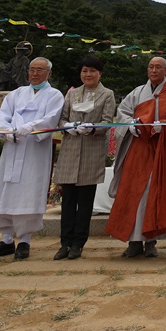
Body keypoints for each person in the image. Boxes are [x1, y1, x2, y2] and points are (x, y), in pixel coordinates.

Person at [106, 57, 166, 258]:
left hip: (160, 151)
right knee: (133, 193)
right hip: (138, 149)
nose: (154, 70)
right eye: (151, 67)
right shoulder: (137, 92)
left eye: (158, 67)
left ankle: (151, 241)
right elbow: (123, 112)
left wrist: (165, 125)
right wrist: (131, 125)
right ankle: (134, 242)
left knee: (153, 194)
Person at [0, 57, 64, 261]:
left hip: (34, 150)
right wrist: (6, 130)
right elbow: (4, 116)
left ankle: (25, 240)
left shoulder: (54, 95)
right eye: (32, 69)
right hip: (13, 147)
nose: (34, 73)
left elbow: (51, 118)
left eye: (40, 70)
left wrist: (31, 127)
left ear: (49, 73)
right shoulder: (17, 93)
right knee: (5, 190)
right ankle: (6, 239)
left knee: (29, 191)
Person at [54, 55, 115, 261]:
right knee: (68, 201)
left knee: (85, 203)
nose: (88, 75)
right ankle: (65, 243)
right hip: (70, 151)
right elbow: (62, 117)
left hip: (90, 152)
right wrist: (67, 127)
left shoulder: (107, 94)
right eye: (84, 71)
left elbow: (107, 122)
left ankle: (78, 243)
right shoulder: (72, 94)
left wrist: (91, 129)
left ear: (100, 73)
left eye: (92, 71)